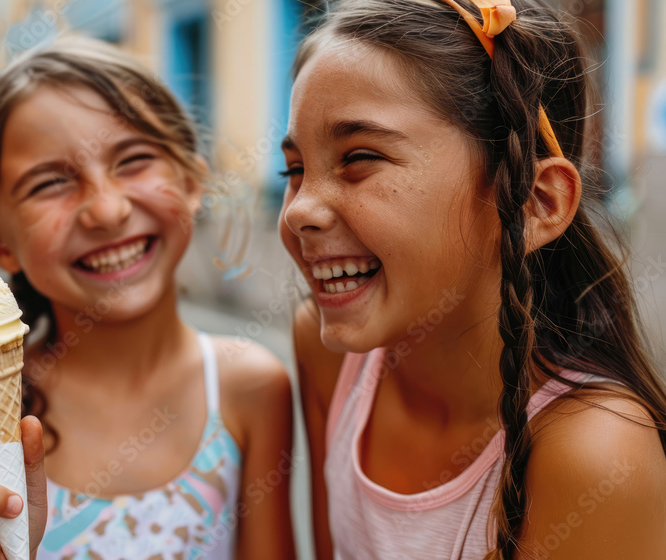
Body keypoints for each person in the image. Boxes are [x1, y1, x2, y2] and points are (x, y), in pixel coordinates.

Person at [283, 1, 666, 559]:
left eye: (359, 157)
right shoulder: (329, 354)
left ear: (533, 202)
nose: (298, 211)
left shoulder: (596, 454)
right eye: (293, 170)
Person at [0, 37, 296, 560]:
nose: (106, 210)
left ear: (193, 180)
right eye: (51, 183)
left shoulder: (251, 387)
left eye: (134, 160)